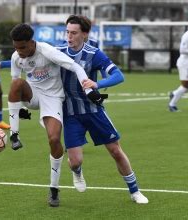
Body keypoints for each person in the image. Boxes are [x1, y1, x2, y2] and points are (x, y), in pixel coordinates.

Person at [0, 23, 105, 207]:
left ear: (32, 42)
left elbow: (76, 67)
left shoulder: (47, 51)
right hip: (33, 94)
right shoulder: (17, 57)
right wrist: (21, 112)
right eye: (16, 47)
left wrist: (88, 89)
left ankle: (54, 189)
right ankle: (14, 135)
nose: (19, 51)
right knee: (15, 84)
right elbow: (16, 90)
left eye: (22, 47)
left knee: (54, 140)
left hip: (53, 97)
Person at [56, 15, 148, 204]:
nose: (69, 37)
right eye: (67, 32)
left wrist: (97, 83)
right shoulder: (58, 51)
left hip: (94, 110)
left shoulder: (94, 53)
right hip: (71, 114)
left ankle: (135, 191)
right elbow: (28, 59)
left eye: (73, 33)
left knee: (115, 150)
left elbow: (118, 75)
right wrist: (3, 64)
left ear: (85, 34)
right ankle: (77, 172)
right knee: (75, 161)